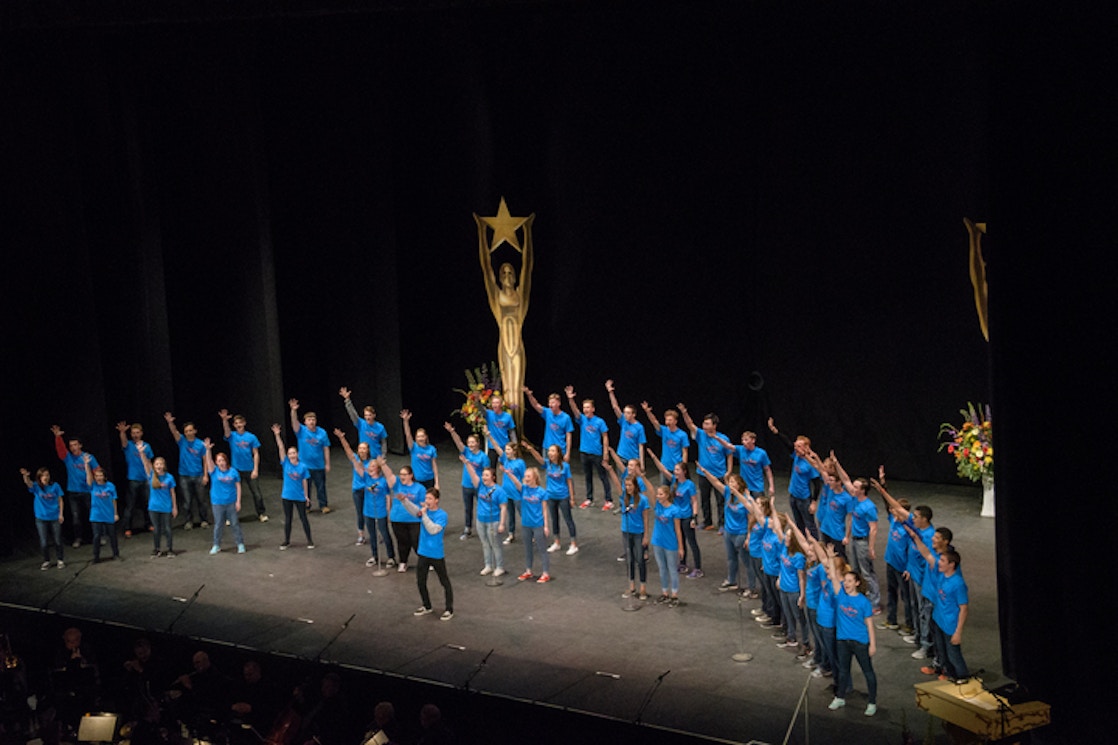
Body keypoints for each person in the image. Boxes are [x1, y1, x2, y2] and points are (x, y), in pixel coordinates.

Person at [476, 203, 533, 438]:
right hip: (504, 344)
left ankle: (519, 436)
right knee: (507, 390)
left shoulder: (521, 294)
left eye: (511, 272)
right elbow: (485, 266)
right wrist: (481, 231)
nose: (508, 275)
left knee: (517, 392)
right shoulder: (496, 295)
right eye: (505, 273)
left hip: (517, 344)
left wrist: (527, 231)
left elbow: (527, 267)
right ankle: (511, 438)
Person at [872, 478, 937, 660]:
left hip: (924, 581)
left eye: (916, 517)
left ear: (924, 519)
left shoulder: (929, 536)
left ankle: (926, 645)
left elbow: (930, 562)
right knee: (917, 609)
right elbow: (897, 510)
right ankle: (918, 637)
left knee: (924, 612)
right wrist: (882, 491)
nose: (913, 518)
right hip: (914, 575)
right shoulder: (915, 527)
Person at [905, 523, 970, 683]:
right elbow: (927, 554)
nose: (938, 562)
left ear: (951, 565)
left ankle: (961, 676)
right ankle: (946, 671)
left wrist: (958, 632)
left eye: (942, 561)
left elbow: (963, 608)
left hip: (949, 622)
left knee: (952, 651)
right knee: (941, 649)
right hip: (939, 618)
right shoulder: (942, 575)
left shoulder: (957, 582)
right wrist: (915, 538)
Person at [823, 545, 879, 717]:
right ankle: (840, 697)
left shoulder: (863, 602)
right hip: (843, 640)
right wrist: (831, 558)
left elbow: (869, 624)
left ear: (856, 583)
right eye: (845, 581)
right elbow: (833, 577)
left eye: (849, 581)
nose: (845, 583)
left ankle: (872, 702)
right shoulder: (840, 594)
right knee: (843, 671)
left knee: (867, 671)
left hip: (860, 641)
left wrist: (872, 645)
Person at [831, 455, 881, 612]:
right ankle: (861, 596)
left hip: (863, 542)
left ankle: (875, 603)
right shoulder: (854, 500)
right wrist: (836, 463)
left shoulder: (869, 507)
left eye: (856, 486)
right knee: (856, 570)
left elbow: (873, 528)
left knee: (867, 573)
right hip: (854, 539)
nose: (852, 487)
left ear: (862, 490)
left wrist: (871, 548)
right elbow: (845, 479)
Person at [336, 431, 395, 567]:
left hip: (380, 510)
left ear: (377, 469)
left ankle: (391, 556)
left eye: (373, 467)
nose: (370, 468)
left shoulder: (383, 481)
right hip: (368, 510)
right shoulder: (365, 477)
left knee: (385, 534)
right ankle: (374, 556)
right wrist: (342, 439)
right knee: (372, 535)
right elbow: (353, 458)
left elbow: (388, 496)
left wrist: (388, 512)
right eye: (369, 467)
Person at [647, 450, 702, 578]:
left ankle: (698, 568)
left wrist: (694, 517)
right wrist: (654, 457)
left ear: (684, 471)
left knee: (691, 542)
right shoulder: (673, 481)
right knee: (680, 539)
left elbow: (694, 501)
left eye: (677, 470)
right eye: (675, 470)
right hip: (676, 516)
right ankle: (683, 564)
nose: (675, 472)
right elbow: (663, 469)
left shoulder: (689, 485)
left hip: (687, 516)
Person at [677, 403, 731, 531]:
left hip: (719, 474)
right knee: (704, 499)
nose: (704, 426)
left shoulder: (723, 438)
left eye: (707, 424)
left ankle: (722, 524)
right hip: (703, 473)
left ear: (714, 425)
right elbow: (690, 425)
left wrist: (728, 471)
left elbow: (729, 455)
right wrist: (684, 412)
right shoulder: (701, 435)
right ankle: (707, 522)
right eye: (704, 423)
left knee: (721, 501)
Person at [699, 469, 753, 593]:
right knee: (731, 558)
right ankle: (731, 580)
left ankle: (751, 587)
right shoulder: (728, 493)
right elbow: (715, 483)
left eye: (734, 482)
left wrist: (749, 537)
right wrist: (705, 472)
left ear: (739, 484)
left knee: (746, 561)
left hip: (741, 533)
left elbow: (751, 520)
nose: (731, 484)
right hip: (729, 532)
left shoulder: (746, 500)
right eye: (730, 482)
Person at [874, 467, 915, 633]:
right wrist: (883, 484)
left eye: (895, 510)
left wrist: (908, 568)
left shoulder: (908, 526)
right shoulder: (893, 520)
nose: (892, 511)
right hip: (890, 562)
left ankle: (910, 624)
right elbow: (887, 504)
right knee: (891, 593)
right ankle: (891, 620)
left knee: (906, 597)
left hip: (902, 567)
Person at [403, 488, 454, 621]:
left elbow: (432, 529)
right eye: (426, 499)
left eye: (430, 499)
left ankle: (449, 609)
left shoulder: (442, 515)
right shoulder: (424, 512)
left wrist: (424, 515)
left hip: (436, 553)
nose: (427, 501)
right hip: (423, 552)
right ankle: (427, 605)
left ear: (436, 500)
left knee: (444, 582)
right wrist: (404, 500)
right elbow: (414, 510)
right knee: (421, 581)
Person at [767, 418, 822, 539]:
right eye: (795, 445)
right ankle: (802, 544)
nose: (795, 448)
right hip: (793, 496)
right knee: (799, 524)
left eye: (799, 446)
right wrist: (774, 430)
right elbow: (786, 442)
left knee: (810, 524)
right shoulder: (796, 456)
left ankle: (817, 547)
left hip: (804, 499)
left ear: (806, 448)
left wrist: (813, 502)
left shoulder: (810, 464)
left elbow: (817, 484)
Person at [525, 442, 578, 555]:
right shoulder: (547, 464)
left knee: (568, 519)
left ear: (558, 453)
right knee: (554, 519)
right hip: (551, 496)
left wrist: (572, 498)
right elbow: (539, 459)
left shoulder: (565, 466)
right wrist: (531, 449)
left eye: (553, 451)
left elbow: (569, 482)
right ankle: (556, 542)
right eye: (549, 451)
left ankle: (573, 544)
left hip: (563, 496)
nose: (550, 453)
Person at [606, 462, 650, 600]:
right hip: (626, 531)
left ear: (635, 486)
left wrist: (646, 536)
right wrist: (611, 470)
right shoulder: (624, 497)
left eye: (630, 485)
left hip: (639, 532)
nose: (628, 488)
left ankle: (643, 587)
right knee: (629, 559)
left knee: (640, 560)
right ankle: (631, 586)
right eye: (626, 485)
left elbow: (646, 518)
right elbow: (616, 484)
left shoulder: (643, 500)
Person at [563, 386, 611, 509]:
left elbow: (605, 437)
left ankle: (608, 500)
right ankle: (589, 498)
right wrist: (571, 399)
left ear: (593, 409)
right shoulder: (582, 420)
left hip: (597, 453)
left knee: (602, 476)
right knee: (587, 476)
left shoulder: (600, 422)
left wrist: (605, 453)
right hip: (584, 452)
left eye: (588, 407)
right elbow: (575, 411)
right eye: (584, 407)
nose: (585, 409)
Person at [51, 425, 99, 547]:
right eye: (71, 446)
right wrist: (58, 437)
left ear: (80, 445)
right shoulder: (69, 458)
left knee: (93, 515)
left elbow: (98, 471)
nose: (73, 448)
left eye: (75, 445)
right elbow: (60, 451)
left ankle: (98, 536)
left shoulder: (88, 457)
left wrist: (100, 487)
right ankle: (78, 538)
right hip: (73, 492)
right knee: (76, 517)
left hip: (88, 490)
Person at [500, 466, 551, 582]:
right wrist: (508, 473)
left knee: (542, 549)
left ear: (534, 478)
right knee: (528, 548)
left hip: (538, 524)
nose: (526, 478)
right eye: (525, 476)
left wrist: (546, 526)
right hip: (526, 524)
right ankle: (528, 570)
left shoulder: (542, 492)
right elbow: (516, 482)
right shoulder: (523, 489)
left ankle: (545, 572)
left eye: (528, 476)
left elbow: (544, 510)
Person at [771, 510, 810, 658]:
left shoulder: (799, 557)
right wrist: (780, 578)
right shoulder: (783, 549)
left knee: (799, 617)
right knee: (788, 614)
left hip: (794, 590)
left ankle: (805, 642)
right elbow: (779, 530)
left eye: (788, 537)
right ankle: (791, 637)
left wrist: (802, 595)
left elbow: (801, 578)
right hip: (784, 588)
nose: (785, 538)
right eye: (786, 536)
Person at [462, 458, 508, 576]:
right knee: (485, 543)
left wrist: (502, 523)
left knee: (495, 544)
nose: (484, 477)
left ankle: (499, 566)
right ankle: (488, 565)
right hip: (480, 519)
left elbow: (503, 508)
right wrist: (467, 463)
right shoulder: (480, 486)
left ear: (493, 477)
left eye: (486, 475)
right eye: (483, 475)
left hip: (493, 520)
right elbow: (472, 474)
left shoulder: (499, 491)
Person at [271, 424, 314, 550]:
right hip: (287, 496)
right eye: (290, 453)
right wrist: (277, 435)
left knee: (303, 518)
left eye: (294, 453)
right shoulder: (285, 464)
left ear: (297, 454)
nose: (291, 455)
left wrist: (306, 496)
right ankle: (287, 541)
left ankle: (310, 540)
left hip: (299, 496)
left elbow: (305, 482)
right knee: (288, 519)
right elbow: (280, 448)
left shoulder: (303, 466)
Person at [164, 412, 210, 530]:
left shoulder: (200, 444)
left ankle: (204, 519)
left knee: (201, 500)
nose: (188, 433)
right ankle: (189, 520)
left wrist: (205, 475)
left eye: (190, 430)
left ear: (195, 431)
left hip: (198, 475)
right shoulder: (182, 441)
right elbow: (174, 432)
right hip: (184, 475)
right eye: (186, 431)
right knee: (187, 501)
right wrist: (170, 422)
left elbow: (205, 461)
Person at [219, 409, 267, 523]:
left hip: (249, 469)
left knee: (257, 493)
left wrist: (255, 469)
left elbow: (256, 454)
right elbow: (226, 432)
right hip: (235, 470)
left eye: (240, 423)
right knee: (232, 493)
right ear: (234, 425)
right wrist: (224, 420)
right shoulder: (232, 436)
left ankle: (261, 513)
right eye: (236, 423)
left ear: (244, 423)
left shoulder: (251, 437)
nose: (239, 425)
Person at [443, 423, 488, 540]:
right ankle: (467, 528)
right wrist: (452, 431)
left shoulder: (483, 457)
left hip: (479, 486)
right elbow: (458, 443)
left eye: (473, 442)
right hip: (466, 485)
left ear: (478, 443)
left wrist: (486, 485)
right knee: (468, 508)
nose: (471, 444)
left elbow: (487, 472)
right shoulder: (466, 452)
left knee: (482, 507)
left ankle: (484, 527)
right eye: (469, 442)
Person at [806, 451, 853, 561]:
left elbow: (850, 518)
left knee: (840, 557)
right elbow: (820, 469)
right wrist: (813, 456)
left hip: (837, 531)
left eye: (831, 480)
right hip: (826, 526)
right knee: (827, 553)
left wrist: (847, 535)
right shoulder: (831, 489)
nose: (828, 482)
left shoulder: (846, 498)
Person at [380, 458, 425, 572]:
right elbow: (389, 475)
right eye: (400, 474)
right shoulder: (397, 485)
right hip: (398, 518)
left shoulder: (419, 488)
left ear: (411, 475)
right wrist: (383, 465)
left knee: (416, 541)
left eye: (404, 474)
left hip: (414, 519)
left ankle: (425, 562)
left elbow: (424, 504)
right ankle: (403, 562)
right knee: (402, 542)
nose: (402, 476)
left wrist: (423, 512)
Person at [288, 399, 331, 512]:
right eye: (309, 420)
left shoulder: (322, 433)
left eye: (313, 419)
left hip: (318, 465)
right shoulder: (301, 431)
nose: (311, 422)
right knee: (305, 487)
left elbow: (326, 448)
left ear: (316, 421)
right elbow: (294, 422)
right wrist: (293, 410)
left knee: (321, 487)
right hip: (304, 465)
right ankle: (306, 506)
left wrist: (327, 463)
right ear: (305, 422)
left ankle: (323, 505)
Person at [202, 439, 245, 554]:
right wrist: (207, 450)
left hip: (231, 502)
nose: (221, 462)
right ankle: (216, 545)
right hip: (217, 502)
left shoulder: (233, 472)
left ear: (226, 461)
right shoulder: (214, 471)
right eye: (219, 461)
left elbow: (238, 487)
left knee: (235, 523)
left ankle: (240, 544)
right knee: (218, 524)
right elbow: (208, 461)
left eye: (223, 460)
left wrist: (238, 501)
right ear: (216, 462)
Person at [605, 380, 646, 494]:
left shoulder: (639, 427)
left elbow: (641, 446)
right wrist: (610, 391)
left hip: (632, 459)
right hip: (621, 456)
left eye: (628, 413)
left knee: (634, 484)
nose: (626, 414)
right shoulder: (623, 421)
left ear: (634, 414)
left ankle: (636, 505)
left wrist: (642, 464)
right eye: (625, 412)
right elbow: (615, 407)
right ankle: (624, 504)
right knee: (622, 482)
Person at [116, 421, 154, 537]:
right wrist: (122, 432)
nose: (135, 435)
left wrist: (153, 477)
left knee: (147, 503)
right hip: (133, 479)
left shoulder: (147, 446)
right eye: (133, 433)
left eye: (137, 433)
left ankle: (149, 524)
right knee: (130, 505)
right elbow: (123, 442)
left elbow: (150, 461)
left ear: (141, 433)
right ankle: (127, 528)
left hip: (145, 479)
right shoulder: (129, 446)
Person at [649, 484, 684, 606]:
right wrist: (642, 477)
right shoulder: (658, 506)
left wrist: (681, 547)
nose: (658, 496)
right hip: (657, 541)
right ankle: (665, 593)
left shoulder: (675, 510)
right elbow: (650, 489)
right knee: (662, 569)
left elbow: (678, 530)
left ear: (667, 495)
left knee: (672, 569)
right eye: (658, 494)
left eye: (661, 494)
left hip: (670, 543)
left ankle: (674, 595)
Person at [23, 467, 65, 569]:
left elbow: (60, 500)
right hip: (41, 518)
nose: (45, 477)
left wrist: (61, 514)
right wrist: (25, 476)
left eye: (47, 475)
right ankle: (46, 561)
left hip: (54, 517)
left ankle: (60, 559)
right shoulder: (37, 487)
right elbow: (28, 483)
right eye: (43, 475)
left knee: (58, 540)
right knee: (44, 542)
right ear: (39, 477)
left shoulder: (55, 486)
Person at [138, 449, 177, 557]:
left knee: (168, 529)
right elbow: (145, 463)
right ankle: (157, 549)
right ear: (154, 466)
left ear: (164, 465)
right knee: (156, 529)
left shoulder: (169, 477)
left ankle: (170, 549)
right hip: (154, 507)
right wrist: (142, 453)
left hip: (166, 507)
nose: (159, 466)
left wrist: (174, 507)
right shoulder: (151, 476)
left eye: (161, 464)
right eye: (157, 464)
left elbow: (172, 493)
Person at [488, 431, 524, 545]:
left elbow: (524, 478)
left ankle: (532, 533)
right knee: (510, 515)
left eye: (508, 449)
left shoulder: (520, 463)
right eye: (506, 449)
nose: (506, 451)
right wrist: (489, 436)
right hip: (507, 493)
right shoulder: (505, 459)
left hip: (517, 493)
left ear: (514, 451)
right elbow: (497, 447)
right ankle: (511, 534)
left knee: (523, 514)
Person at [640, 403, 689, 486]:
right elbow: (654, 422)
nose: (667, 422)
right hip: (665, 466)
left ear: (675, 421)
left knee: (676, 491)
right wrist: (648, 412)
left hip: (676, 467)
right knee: (664, 490)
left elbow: (685, 452)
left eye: (670, 420)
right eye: (666, 420)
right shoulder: (664, 430)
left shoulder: (682, 435)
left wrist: (683, 467)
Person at [83, 455, 120, 563]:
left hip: (108, 514)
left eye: (100, 475)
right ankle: (96, 557)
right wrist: (87, 464)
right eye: (97, 475)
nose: (98, 477)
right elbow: (88, 477)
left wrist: (115, 513)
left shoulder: (110, 486)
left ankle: (116, 554)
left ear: (104, 476)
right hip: (96, 515)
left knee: (112, 536)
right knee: (97, 536)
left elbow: (114, 500)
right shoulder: (93, 485)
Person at [523, 387, 573, 460]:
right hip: (547, 448)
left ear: (559, 403)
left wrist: (568, 453)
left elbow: (569, 436)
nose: (550, 405)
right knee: (548, 469)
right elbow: (536, 405)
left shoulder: (566, 417)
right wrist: (529, 395)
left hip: (559, 449)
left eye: (553, 402)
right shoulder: (547, 412)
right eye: (549, 402)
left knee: (560, 470)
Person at [340, 387, 388, 457]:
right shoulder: (361, 424)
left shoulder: (380, 427)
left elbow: (384, 443)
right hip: (363, 456)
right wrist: (347, 400)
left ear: (374, 415)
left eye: (369, 415)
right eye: (366, 415)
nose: (368, 417)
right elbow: (352, 414)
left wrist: (383, 455)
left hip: (376, 457)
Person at [400, 409, 439, 491]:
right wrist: (405, 421)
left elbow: (434, 466)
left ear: (426, 437)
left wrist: (437, 483)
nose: (420, 438)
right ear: (416, 438)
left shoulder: (431, 449)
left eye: (422, 436)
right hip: (417, 480)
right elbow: (408, 435)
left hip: (429, 479)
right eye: (418, 436)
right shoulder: (413, 447)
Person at [483, 394, 517, 470]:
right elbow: (481, 410)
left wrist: (515, 445)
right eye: (493, 403)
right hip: (493, 447)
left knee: (508, 468)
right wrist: (477, 401)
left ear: (501, 404)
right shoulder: (489, 414)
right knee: (491, 470)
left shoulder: (507, 416)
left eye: (497, 403)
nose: (494, 405)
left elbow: (512, 432)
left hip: (505, 446)